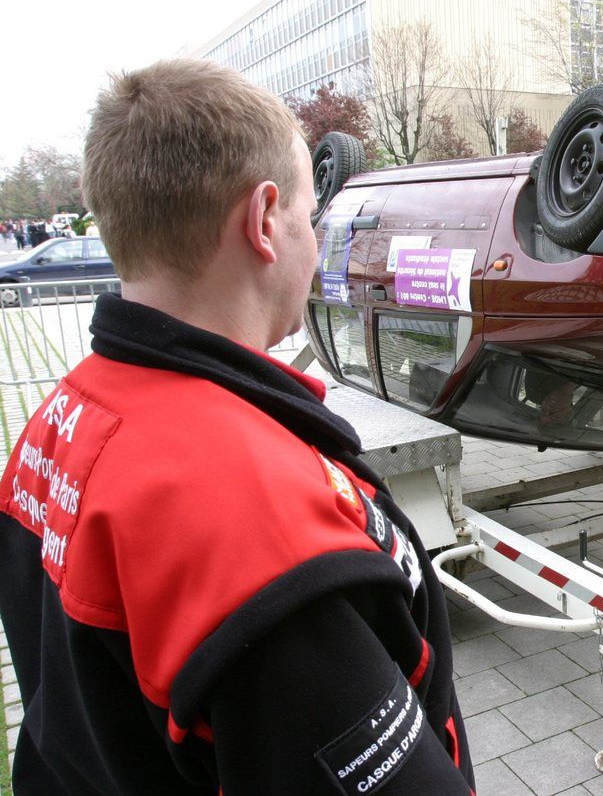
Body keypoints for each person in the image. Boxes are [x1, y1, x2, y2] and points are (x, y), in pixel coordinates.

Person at [0, 60, 473, 794]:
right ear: (262, 221)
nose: (315, 244)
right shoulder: (261, 531)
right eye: (309, 216)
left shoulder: (53, 425)